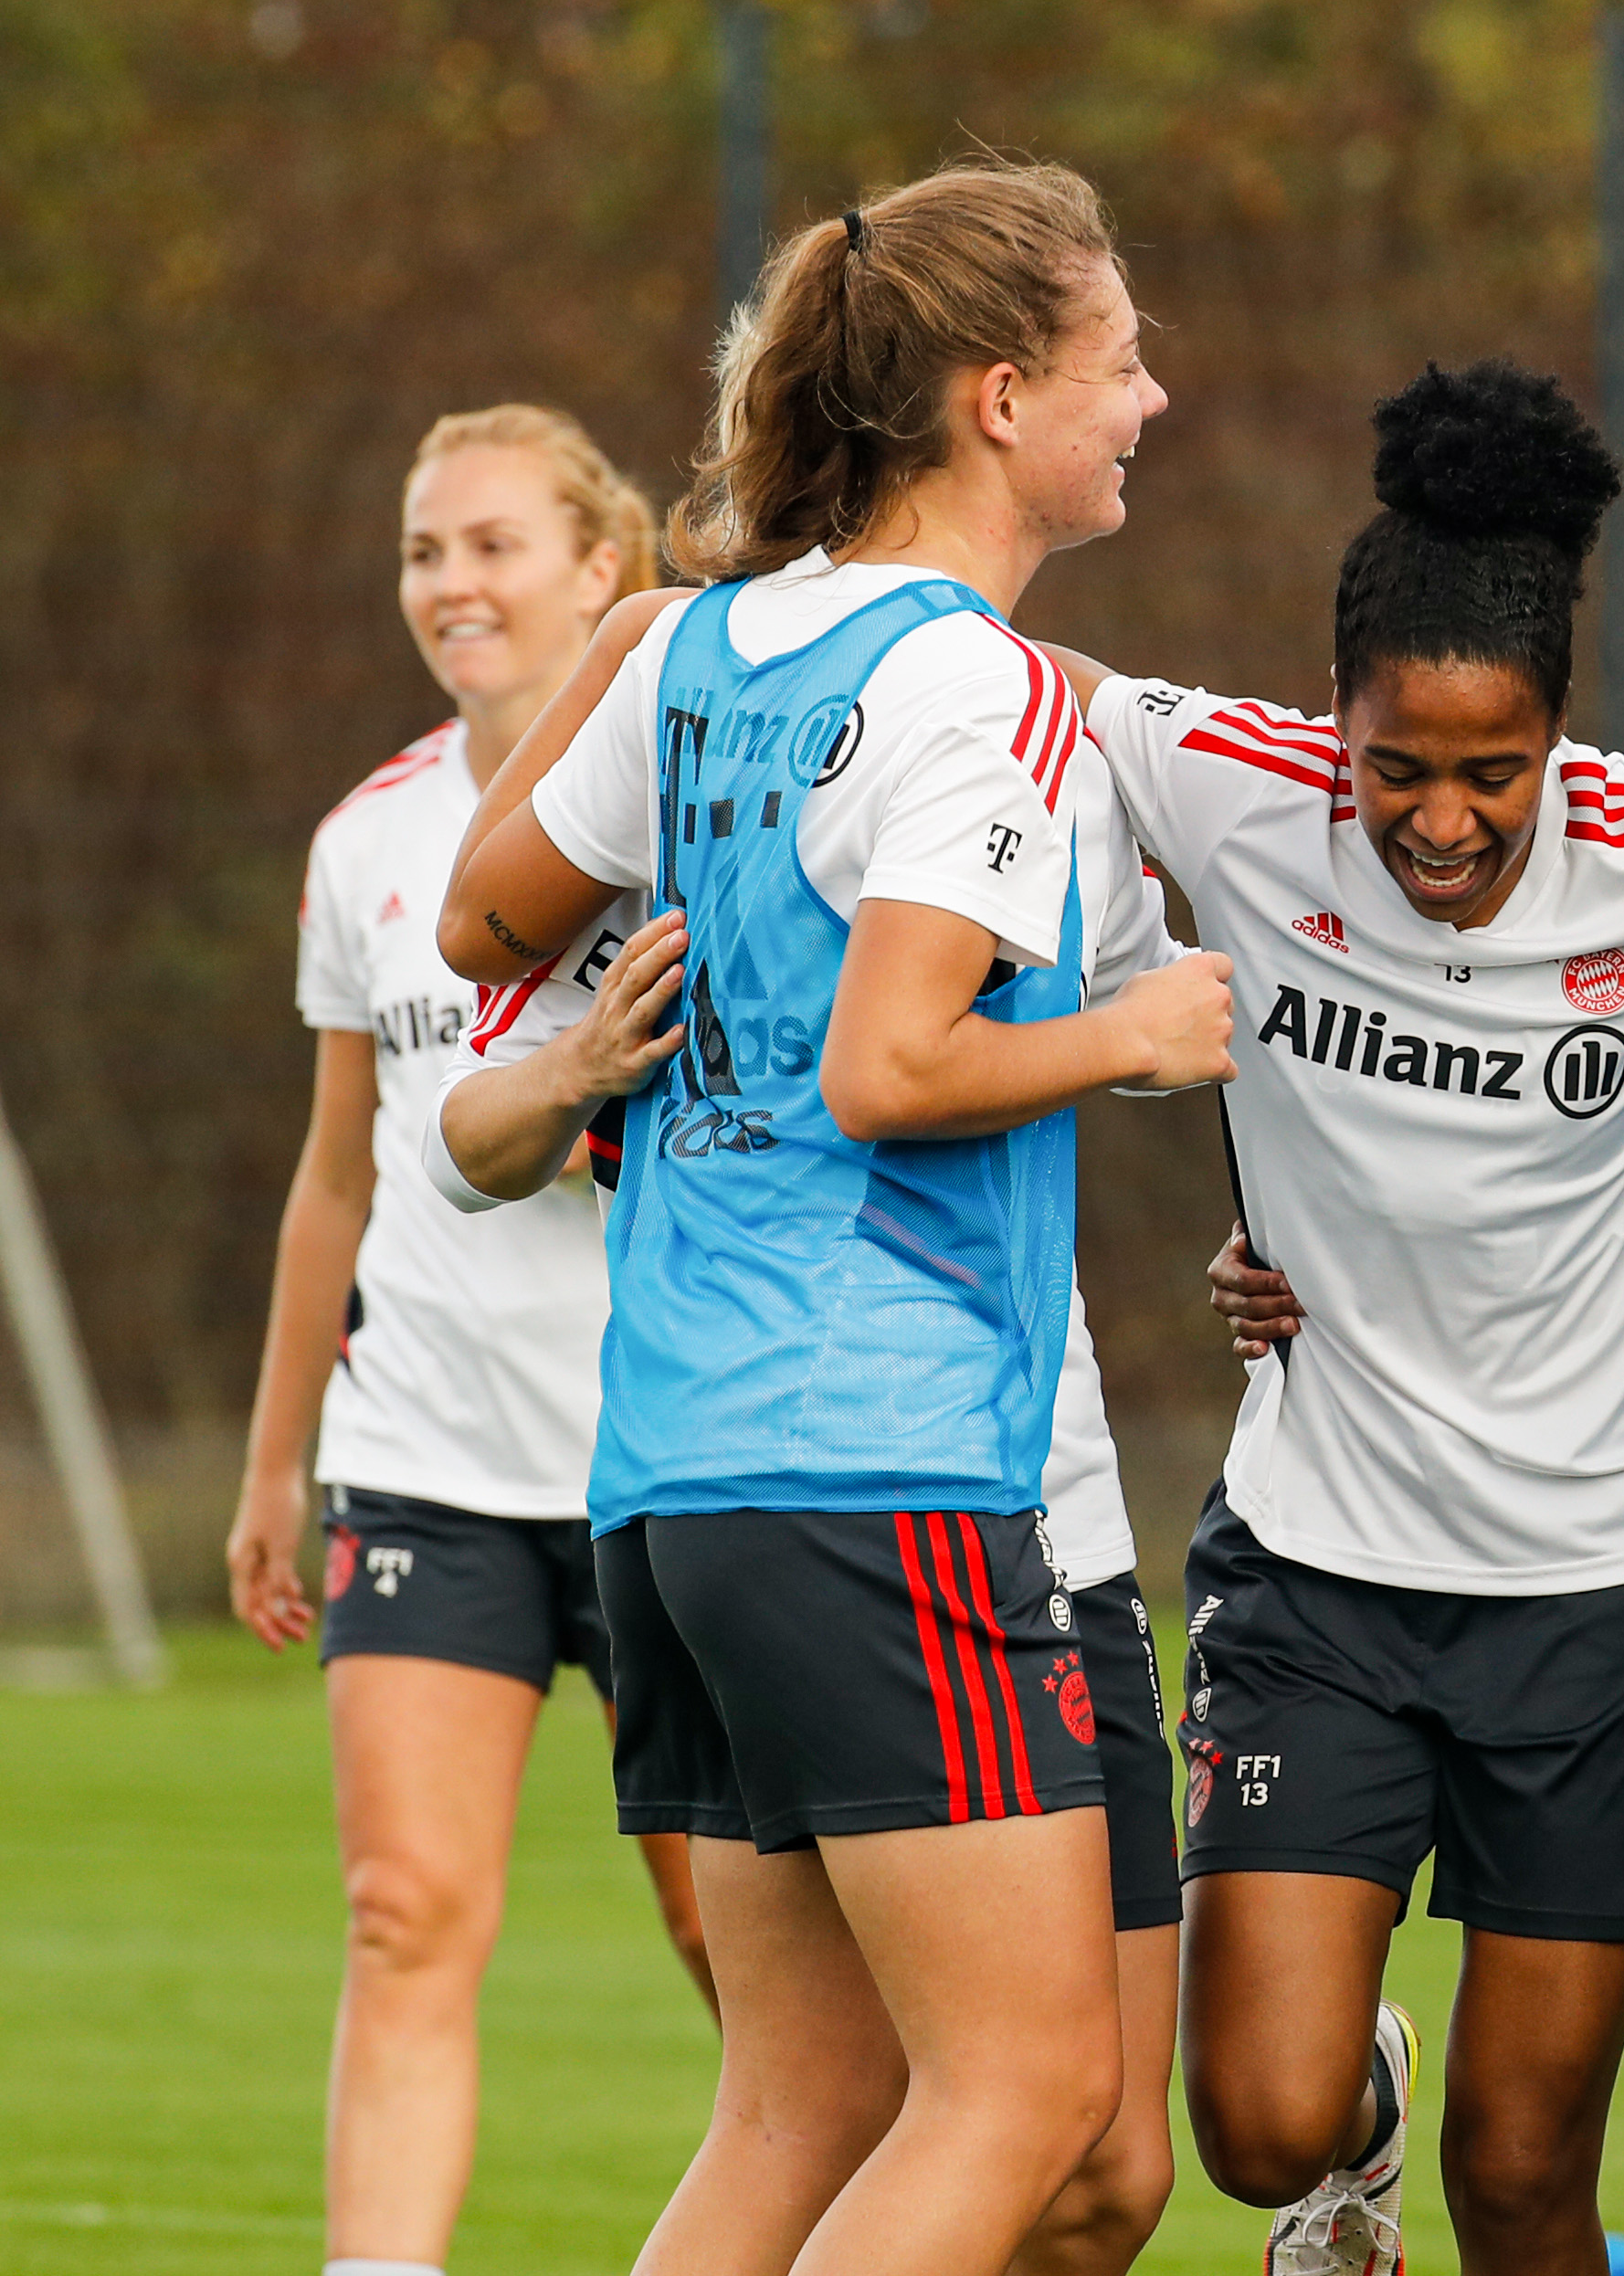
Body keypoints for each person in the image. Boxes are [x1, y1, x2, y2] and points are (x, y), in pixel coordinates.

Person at [434, 161, 1237, 2276]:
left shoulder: (698, 645)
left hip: (680, 1470)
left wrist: (634, 655)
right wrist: (1134, 1033)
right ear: (997, 398)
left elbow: (482, 909)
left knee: (807, 2104)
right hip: (876, 1463)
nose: (1153, 395)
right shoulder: (976, 682)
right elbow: (894, 1066)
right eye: (1120, 358)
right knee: (1030, 2095)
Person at [1034, 361, 1624, 2276]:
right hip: (1319, 1573)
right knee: (1257, 2131)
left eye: (1491, 770)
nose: (1442, 819)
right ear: (1330, 727)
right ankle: (1365, 2102)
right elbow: (1023, 682)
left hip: (1599, 1593)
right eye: (1397, 770)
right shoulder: (1232, 788)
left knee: (1524, 2188)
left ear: (1557, 734)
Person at [425, 839, 1193, 2276]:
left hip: (1039, 1513)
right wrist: (575, 1068)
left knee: (1092, 2172)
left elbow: (1200, 1020)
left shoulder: (1008, 736)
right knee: (953, 2101)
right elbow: (464, 1138)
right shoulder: (625, 810)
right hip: (872, 1502)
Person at [218, 403, 706, 2276]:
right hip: (423, 1453)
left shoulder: (692, 811)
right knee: (403, 1909)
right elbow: (335, 1182)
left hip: (664, 1461)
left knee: (726, 1928)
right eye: (426, 550)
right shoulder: (370, 840)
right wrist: (280, 1462)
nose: (452, 584)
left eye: (495, 543)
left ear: (607, 567)